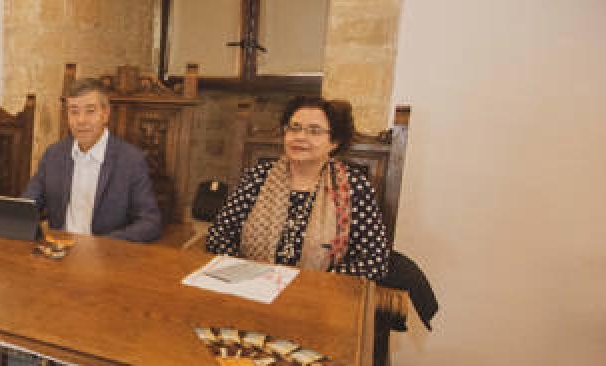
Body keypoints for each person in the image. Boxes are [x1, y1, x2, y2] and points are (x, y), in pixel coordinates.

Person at [205, 96, 389, 281]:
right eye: (294, 127)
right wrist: (248, 274)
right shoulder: (259, 176)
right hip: (253, 285)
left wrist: (315, 283)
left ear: (334, 142)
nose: (300, 137)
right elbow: (219, 236)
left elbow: (374, 261)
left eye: (314, 131)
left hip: (320, 294)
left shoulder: (353, 187)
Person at [22, 79, 161, 242]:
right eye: (74, 111)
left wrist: (102, 245)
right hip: (59, 252)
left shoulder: (130, 160)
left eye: (90, 111)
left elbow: (150, 223)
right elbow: (28, 205)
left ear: (105, 114)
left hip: (106, 255)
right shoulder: (54, 154)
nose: (81, 120)